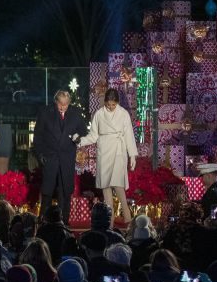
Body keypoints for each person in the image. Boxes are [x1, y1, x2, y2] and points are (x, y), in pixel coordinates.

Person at [78, 89, 138, 224]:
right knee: (106, 185)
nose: (111, 107)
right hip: (104, 150)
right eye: (108, 104)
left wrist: (132, 155)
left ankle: (127, 215)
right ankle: (109, 220)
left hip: (118, 149)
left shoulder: (123, 114)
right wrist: (80, 141)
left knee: (118, 184)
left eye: (113, 104)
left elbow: (129, 135)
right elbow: (93, 136)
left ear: (117, 102)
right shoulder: (98, 114)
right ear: (105, 102)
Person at [33, 90, 87, 218]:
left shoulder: (75, 113)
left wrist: (77, 137)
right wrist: (41, 155)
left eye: (66, 104)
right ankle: (43, 221)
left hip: (67, 158)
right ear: (56, 101)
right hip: (50, 157)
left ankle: (65, 222)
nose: (63, 107)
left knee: (65, 192)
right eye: (61, 104)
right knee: (47, 191)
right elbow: (38, 136)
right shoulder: (45, 112)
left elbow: (83, 131)